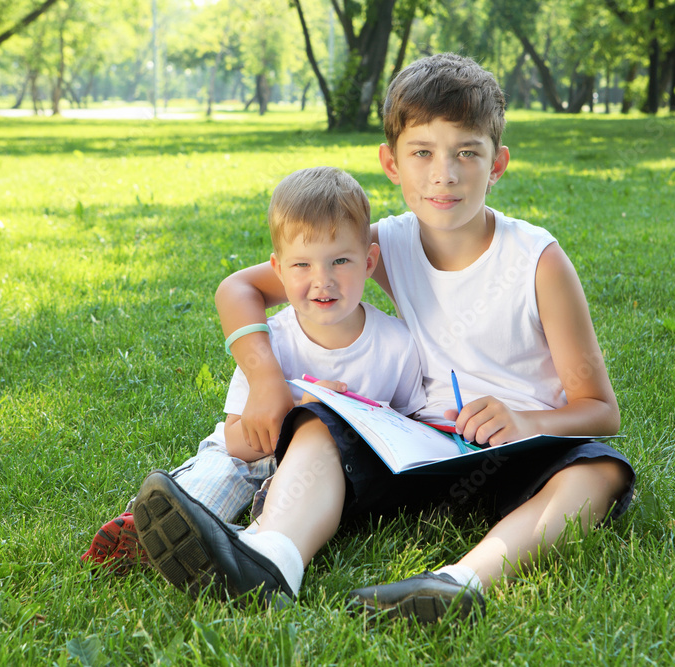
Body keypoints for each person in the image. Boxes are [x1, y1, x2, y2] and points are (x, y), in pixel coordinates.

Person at [131, 53, 635, 621]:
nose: (443, 174)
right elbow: (238, 290)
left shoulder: (536, 261)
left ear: (497, 165)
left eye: (467, 152)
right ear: (391, 163)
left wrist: (528, 422)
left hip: (518, 456)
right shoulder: (384, 244)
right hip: (416, 452)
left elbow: (600, 409)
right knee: (323, 422)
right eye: (422, 152)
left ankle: (460, 581)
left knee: (603, 471)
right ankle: (269, 558)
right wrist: (266, 380)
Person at [84, 166, 425, 583]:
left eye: (341, 260)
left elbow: (409, 432)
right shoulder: (271, 342)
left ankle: (243, 543)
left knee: (297, 494)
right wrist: (297, 408)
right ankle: (156, 526)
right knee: (219, 472)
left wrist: (330, 420)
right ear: (277, 270)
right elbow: (236, 441)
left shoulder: (396, 343)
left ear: (369, 261)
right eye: (302, 264)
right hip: (250, 453)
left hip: (328, 470)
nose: (323, 280)